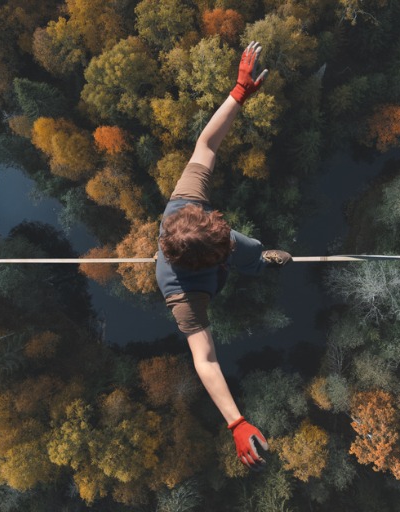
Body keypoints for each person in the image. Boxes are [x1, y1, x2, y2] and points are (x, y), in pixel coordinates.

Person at [156, 41, 291, 470]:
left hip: (205, 252)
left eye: (221, 230)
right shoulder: (183, 297)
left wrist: (238, 93)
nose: (225, 237)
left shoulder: (184, 207)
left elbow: (207, 145)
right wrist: (236, 423)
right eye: (222, 247)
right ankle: (250, 264)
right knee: (243, 253)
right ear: (209, 261)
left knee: (248, 248)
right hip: (206, 281)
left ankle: (257, 261)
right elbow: (206, 360)